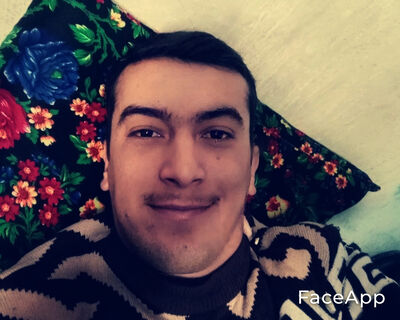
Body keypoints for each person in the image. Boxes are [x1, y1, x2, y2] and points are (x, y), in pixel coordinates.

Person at [0, 31, 398, 319]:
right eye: (146, 132)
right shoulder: (35, 298)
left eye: (217, 134)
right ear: (107, 164)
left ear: (252, 169)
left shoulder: (320, 256)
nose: (184, 171)